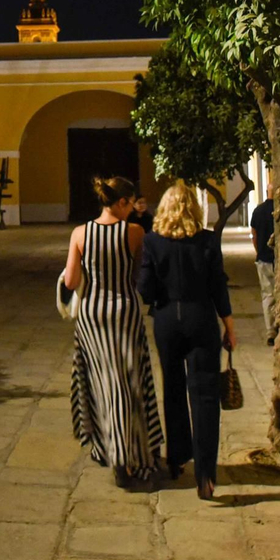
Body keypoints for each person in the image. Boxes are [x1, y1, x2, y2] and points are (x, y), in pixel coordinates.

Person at [63, 175, 164, 489]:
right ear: (121, 202)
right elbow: (140, 273)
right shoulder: (134, 232)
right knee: (129, 384)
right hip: (124, 312)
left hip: (92, 315)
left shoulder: (80, 233)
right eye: (131, 204)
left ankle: (110, 450)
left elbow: (71, 281)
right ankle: (129, 456)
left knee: (102, 383)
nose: (133, 209)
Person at [137, 182, 236, 501]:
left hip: (167, 320)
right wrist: (229, 325)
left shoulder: (152, 242)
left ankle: (178, 458)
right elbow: (218, 285)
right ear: (194, 209)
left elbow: (145, 289)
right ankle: (205, 474)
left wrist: (159, 293)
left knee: (174, 388)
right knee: (205, 394)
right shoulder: (208, 240)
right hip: (201, 318)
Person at [248, 194, 276, 345]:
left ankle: (270, 330)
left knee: (268, 295)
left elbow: (254, 235)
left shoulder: (258, 211)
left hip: (264, 259)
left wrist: (258, 252)